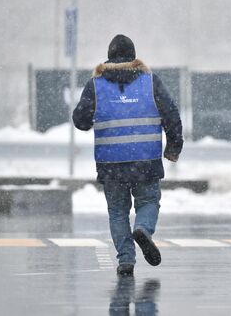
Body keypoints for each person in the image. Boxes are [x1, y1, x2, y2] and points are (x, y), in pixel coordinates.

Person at [73, 34, 183, 276]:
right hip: (146, 160)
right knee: (148, 202)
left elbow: (80, 121)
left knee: (118, 212)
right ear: (134, 57)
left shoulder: (96, 84)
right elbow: (171, 114)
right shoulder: (151, 81)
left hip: (110, 163)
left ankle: (125, 259)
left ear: (109, 57)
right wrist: (174, 146)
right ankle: (143, 228)